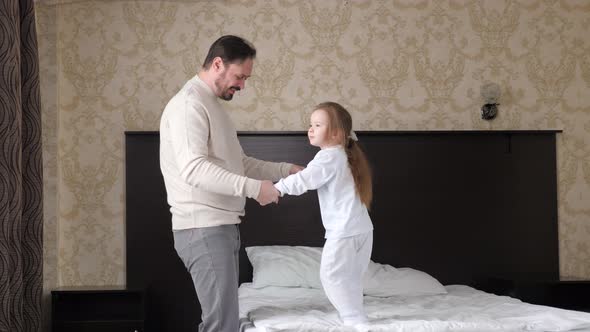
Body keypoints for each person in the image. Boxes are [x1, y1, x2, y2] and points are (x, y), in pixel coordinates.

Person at [159, 35, 303, 332]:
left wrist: (287, 169)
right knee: (221, 325)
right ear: (217, 64)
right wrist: (255, 189)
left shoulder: (211, 105)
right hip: (203, 228)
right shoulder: (189, 105)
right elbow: (194, 170)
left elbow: (241, 163)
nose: (242, 85)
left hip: (219, 228)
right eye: (240, 77)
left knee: (223, 322)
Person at [274, 101, 374, 327]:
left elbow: (304, 181)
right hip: (362, 229)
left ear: (337, 134)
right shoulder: (344, 156)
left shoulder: (328, 156)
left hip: (344, 231)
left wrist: (278, 187)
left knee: (331, 276)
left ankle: (353, 318)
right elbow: (312, 175)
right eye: (310, 124)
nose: (310, 129)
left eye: (318, 125)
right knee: (351, 278)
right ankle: (356, 313)